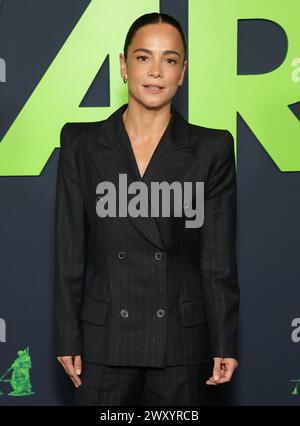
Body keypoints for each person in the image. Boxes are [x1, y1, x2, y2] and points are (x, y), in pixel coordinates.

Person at [54, 12, 240, 406]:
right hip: (103, 344)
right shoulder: (81, 143)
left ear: (182, 72)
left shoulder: (212, 148)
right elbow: (70, 250)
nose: (156, 72)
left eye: (169, 60)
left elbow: (217, 258)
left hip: (180, 343)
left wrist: (224, 341)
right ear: (123, 66)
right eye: (143, 58)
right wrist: (67, 335)